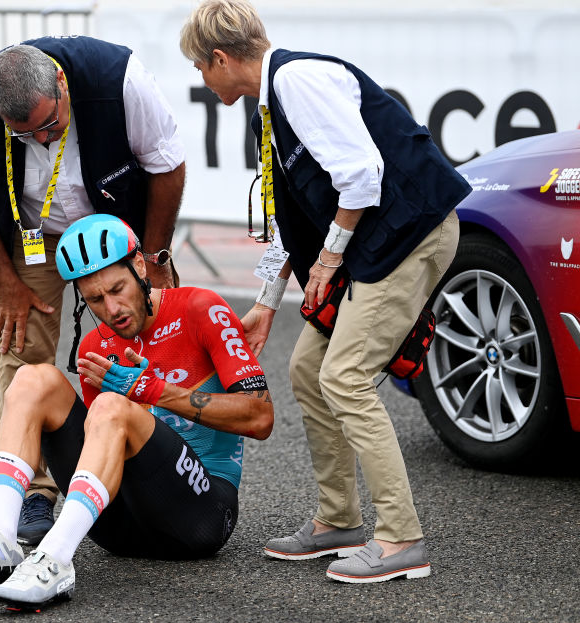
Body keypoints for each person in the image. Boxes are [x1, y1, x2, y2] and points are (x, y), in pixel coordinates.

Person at [179, 0, 471, 583]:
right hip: (381, 239)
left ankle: (401, 540)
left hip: (410, 234)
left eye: (198, 68)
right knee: (308, 369)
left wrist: (333, 254)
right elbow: (290, 218)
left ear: (219, 57)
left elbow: (362, 173)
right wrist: (266, 300)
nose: (201, 81)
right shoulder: (271, 103)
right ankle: (339, 521)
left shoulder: (295, 80)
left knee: (345, 375)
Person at [0, 215, 273, 610]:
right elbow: (102, 445)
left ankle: (55, 559)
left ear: (140, 268)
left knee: (114, 405)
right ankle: (1, 537)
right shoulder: (96, 346)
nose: (112, 309)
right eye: (95, 299)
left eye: (118, 289)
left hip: (201, 518)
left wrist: (152, 390)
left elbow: (261, 418)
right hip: (119, 531)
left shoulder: (202, 308)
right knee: (32, 379)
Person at [0, 37, 186, 543]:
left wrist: (155, 259)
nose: (43, 140)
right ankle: (35, 491)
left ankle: (169, 460)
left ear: (61, 83)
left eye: (50, 125)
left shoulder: (119, 77)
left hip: (117, 228)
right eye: (24, 134)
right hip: (36, 239)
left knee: (152, 335)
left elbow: (166, 166)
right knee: (21, 353)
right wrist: (6, 283)